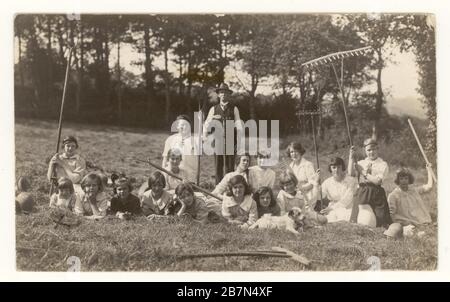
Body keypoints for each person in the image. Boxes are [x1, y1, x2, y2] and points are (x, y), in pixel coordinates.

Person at [203, 83, 243, 184]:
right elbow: (207, 124)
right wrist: (205, 137)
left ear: (229, 95)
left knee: (230, 166)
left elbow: (239, 126)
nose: (223, 94)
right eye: (221, 92)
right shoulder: (214, 109)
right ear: (218, 95)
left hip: (230, 139)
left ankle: (230, 187)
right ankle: (218, 188)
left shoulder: (234, 109)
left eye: (225, 92)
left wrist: (239, 142)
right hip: (218, 140)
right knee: (218, 166)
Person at [348, 138, 392, 228]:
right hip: (362, 191)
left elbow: (377, 181)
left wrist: (363, 172)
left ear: (378, 149)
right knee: (358, 220)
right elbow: (351, 173)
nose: (371, 152)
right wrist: (351, 157)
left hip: (377, 193)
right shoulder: (361, 162)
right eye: (369, 150)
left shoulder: (382, 164)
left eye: (374, 149)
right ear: (365, 151)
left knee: (381, 222)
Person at [162, 115, 199, 183]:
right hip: (172, 177)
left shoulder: (195, 141)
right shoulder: (170, 139)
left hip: (189, 179)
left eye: (185, 124)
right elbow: (165, 160)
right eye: (180, 124)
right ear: (177, 126)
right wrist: (164, 176)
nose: (182, 127)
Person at [320, 157, 358, 223]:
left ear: (342, 167)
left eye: (339, 167)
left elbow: (346, 200)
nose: (336, 170)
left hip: (348, 208)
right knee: (330, 220)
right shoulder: (327, 182)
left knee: (343, 219)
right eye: (334, 167)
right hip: (332, 209)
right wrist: (316, 184)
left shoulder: (351, 181)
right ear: (330, 169)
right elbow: (320, 196)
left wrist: (332, 208)